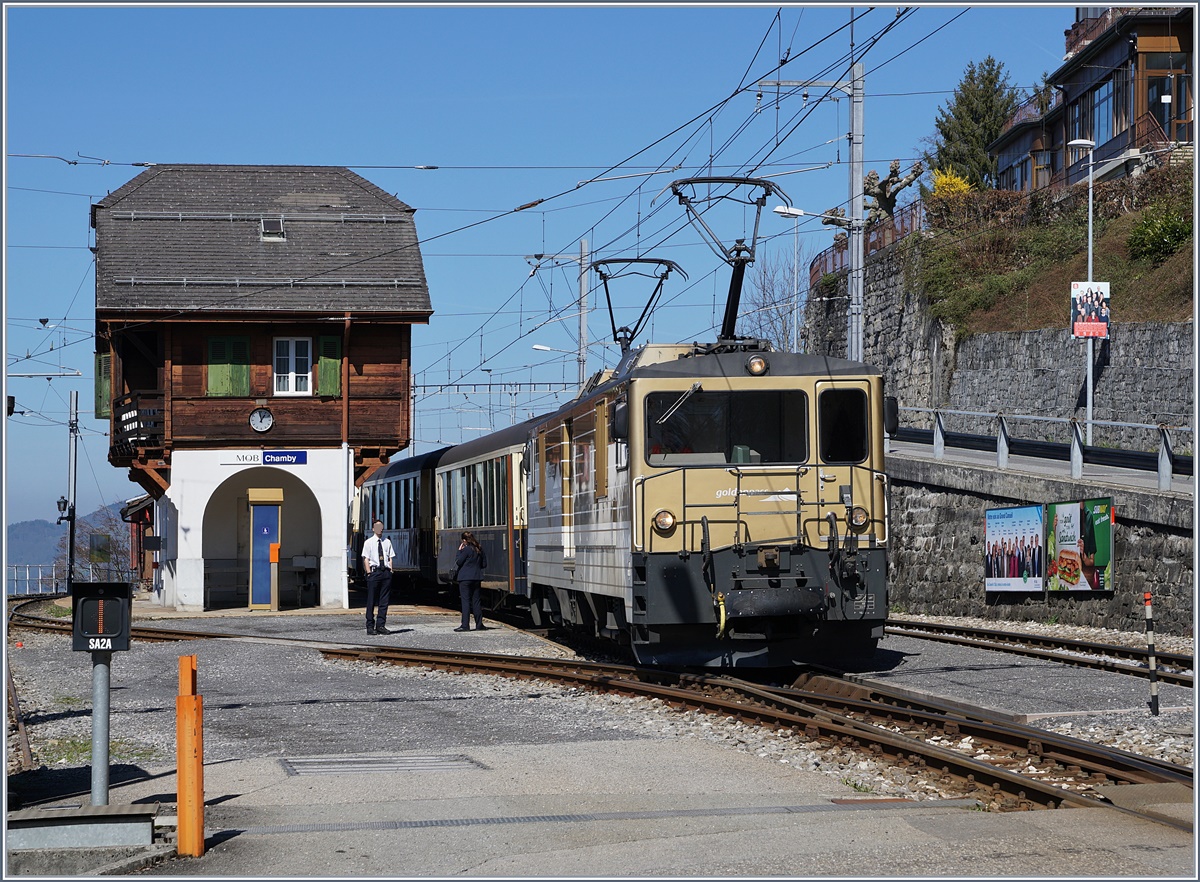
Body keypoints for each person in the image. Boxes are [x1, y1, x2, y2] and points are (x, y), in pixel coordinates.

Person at [362, 519, 395, 635]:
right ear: (373, 529)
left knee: (384, 601)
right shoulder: (368, 542)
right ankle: (370, 626)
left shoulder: (387, 542)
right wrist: (369, 572)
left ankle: (381, 625)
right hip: (374, 572)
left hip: (385, 572)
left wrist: (390, 570)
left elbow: (390, 557)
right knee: (371, 600)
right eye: (377, 527)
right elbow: (366, 558)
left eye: (381, 527)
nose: (379, 529)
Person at [453, 531, 488, 632]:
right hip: (476, 578)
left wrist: (459, 551)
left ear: (464, 540)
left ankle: (465, 625)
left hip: (465, 579)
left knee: (465, 601)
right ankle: (479, 625)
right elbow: (484, 564)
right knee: (476, 601)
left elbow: (459, 562)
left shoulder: (466, 549)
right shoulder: (479, 549)